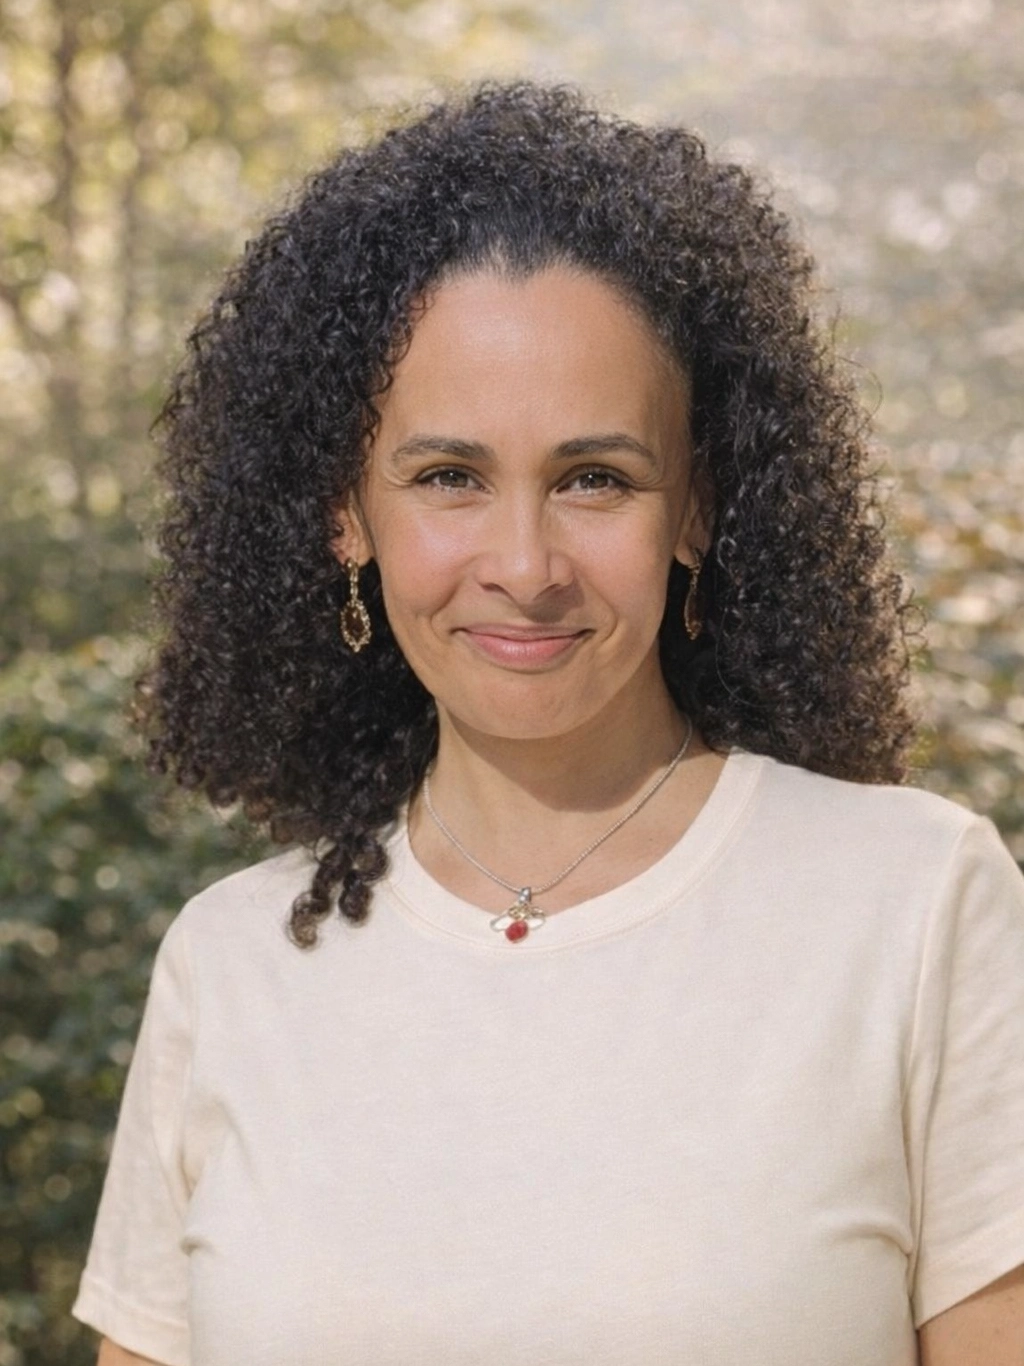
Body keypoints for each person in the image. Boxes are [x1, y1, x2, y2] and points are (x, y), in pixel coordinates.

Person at [73, 79, 1024, 1366]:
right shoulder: (228, 964)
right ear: (345, 512)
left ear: (694, 510)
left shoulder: (917, 904)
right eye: (447, 476)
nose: (523, 565)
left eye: (594, 478)